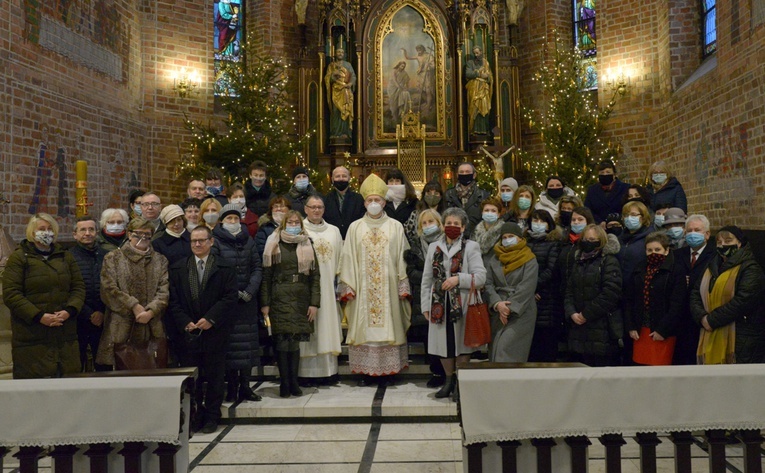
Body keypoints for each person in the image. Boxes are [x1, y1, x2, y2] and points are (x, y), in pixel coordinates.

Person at [339, 173, 412, 387]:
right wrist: (348, 286)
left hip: (388, 289)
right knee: (365, 329)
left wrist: (402, 284)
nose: (373, 204)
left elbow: (402, 256)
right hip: (363, 290)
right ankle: (365, 372)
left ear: (384, 202)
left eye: (377, 200)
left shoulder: (395, 227)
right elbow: (348, 257)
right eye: (369, 200)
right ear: (364, 203)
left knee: (390, 325)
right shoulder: (355, 228)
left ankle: (390, 372)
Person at [168, 225, 238, 433]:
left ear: (211, 242)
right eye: (193, 241)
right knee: (193, 378)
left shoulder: (224, 267)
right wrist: (185, 321)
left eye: (201, 240)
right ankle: (195, 415)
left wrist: (211, 318)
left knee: (215, 376)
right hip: (189, 332)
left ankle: (212, 416)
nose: (197, 244)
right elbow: (173, 300)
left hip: (215, 331)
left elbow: (229, 297)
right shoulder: (179, 267)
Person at [2, 213, 85, 378]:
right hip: (32, 335)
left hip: (64, 333)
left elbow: (78, 287)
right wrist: (39, 316)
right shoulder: (19, 258)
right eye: (42, 229)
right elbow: (12, 294)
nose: (47, 233)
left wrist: (69, 310)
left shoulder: (65, 256)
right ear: (32, 233)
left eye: (50, 229)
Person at [420, 207, 486, 400]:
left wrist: (459, 279)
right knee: (444, 345)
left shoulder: (471, 246)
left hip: (462, 303)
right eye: (448, 223)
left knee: (461, 345)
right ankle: (448, 381)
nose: (452, 227)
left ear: (463, 227)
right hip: (439, 304)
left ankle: (459, 382)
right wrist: (425, 305)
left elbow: (481, 277)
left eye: (456, 224)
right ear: (443, 225)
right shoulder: (434, 247)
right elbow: (426, 279)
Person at [95, 217, 169, 369]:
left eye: (147, 234)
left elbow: (164, 290)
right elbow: (108, 289)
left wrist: (151, 310)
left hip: (151, 325)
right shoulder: (113, 258)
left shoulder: (160, 260)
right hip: (121, 325)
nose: (142, 238)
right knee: (120, 373)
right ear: (129, 234)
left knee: (152, 371)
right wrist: (133, 305)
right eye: (138, 234)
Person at [261, 210, 320, 397]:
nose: (294, 225)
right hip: (279, 297)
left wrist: (314, 303)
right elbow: (266, 277)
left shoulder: (307, 243)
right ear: (284, 224)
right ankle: (284, 383)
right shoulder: (274, 243)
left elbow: (315, 276)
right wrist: (265, 303)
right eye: (290, 222)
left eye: (297, 223)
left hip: (301, 297)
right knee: (281, 341)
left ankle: (294, 382)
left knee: (294, 343)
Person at [691, 226, 765, 364]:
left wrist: (710, 321)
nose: (723, 245)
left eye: (728, 240)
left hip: (741, 337)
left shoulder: (751, 269)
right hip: (708, 330)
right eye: (719, 242)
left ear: (740, 243)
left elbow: (742, 302)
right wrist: (701, 317)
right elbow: (696, 292)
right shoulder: (711, 265)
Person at [212, 203, 263, 402]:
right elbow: (215, 270)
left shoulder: (248, 241)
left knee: (248, 346)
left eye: (235, 219)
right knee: (231, 347)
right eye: (228, 219)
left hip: (247, 303)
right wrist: (232, 293)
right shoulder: (215, 242)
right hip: (227, 303)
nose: (232, 222)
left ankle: (246, 386)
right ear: (222, 221)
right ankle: (232, 387)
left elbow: (257, 267)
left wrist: (250, 290)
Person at [565, 224, 623, 366]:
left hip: (602, 329)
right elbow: (569, 291)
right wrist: (572, 313)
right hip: (578, 330)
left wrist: (586, 315)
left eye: (592, 239)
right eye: (585, 239)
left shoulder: (609, 261)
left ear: (600, 241)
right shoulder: (578, 262)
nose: (588, 242)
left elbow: (610, 294)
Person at [300, 195, 344, 384]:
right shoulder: (298, 230)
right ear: (305, 209)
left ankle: (329, 372)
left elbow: (342, 260)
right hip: (305, 289)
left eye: (320, 207)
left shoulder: (334, 231)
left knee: (327, 327)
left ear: (324, 209)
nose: (316, 210)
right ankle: (306, 374)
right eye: (313, 207)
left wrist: (340, 284)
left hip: (329, 288)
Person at [625, 232, 686, 365]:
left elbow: (677, 304)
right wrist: (631, 326)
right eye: (649, 250)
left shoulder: (676, 270)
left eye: (657, 249)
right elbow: (629, 300)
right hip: (640, 330)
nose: (653, 253)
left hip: (663, 331)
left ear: (666, 250)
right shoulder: (639, 269)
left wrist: (663, 329)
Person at [404, 209, 447, 388]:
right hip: (423, 296)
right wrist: (428, 277)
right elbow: (411, 271)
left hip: (444, 295)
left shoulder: (447, 243)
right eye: (424, 223)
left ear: (439, 223)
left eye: (432, 222)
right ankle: (436, 371)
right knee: (428, 337)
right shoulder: (415, 246)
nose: (428, 226)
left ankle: (448, 373)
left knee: (444, 336)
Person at [484, 221, 538, 363]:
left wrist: (509, 308)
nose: (507, 240)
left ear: (520, 238)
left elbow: (527, 286)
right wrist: (497, 304)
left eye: (511, 236)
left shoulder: (530, 258)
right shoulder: (494, 259)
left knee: (507, 349)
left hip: (521, 310)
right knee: (495, 350)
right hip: (498, 310)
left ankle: (510, 384)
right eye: (504, 237)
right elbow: (488, 283)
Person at [673, 214, 715, 365]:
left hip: (702, 314)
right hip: (681, 317)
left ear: (707, 234)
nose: (692, 233)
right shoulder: (677, 255)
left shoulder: (715, 255)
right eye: (689, 230)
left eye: (697, 230)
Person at [69, 216, 109, 372]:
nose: (87, 233)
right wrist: (89, 313)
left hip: (104, 317)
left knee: (103, 365)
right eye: (83, 230)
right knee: (78, 363)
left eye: (91, 229)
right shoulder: (69, 257)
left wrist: (102, 311)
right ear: (75, 234)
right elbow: (68, 288)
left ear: (97, 232)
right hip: (78, 318)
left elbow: (112, 286)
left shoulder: (107, 256)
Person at [525, 209, 563, 362]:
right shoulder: (524, 242)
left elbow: (551, 270)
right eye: (535, 221)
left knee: (546, 341)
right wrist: (528, 290)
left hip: (547, 297)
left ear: (549, 224)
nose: (538, 224)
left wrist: (533, 287)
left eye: (542, 221)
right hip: (528, 297)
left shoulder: (554, 243)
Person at [444, 162, 491, 238]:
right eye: (462, 172)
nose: (464, 174)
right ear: (457, 175)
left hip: (477, 236)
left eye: (467, 172)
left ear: (474, 175)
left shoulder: (483, 195)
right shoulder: (448, 194)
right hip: (454, 236)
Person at [324, 165, 366, 240]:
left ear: (349, 178)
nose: (341, 179)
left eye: (344, 176)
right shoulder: (325, 200)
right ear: (332, 179)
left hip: (354, 239)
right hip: (332, 239)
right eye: (337, 176)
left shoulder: (359, 199)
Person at [324, 47, 356, 140]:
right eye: (338, 52)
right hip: (336, 91)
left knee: (345, 110)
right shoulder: (331, 65)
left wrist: (350, 84)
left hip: (345, 90)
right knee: (336, 111)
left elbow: (353, 76)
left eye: (342, 52)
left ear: (344, 54)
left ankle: (345, 132)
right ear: (335, 53)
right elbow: (327, 78)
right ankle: (335, 132)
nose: (340, 53)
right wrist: (333, 75)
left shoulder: (348, 65)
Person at [405, 180, 446, 246]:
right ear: (424, 195)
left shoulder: (446, 215)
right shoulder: (415, 214)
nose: (432, 196)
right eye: (429, 193)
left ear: (441, 196)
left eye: (436, 193)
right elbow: (407, 234)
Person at [465, 46, 493, 135]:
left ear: (481, 52)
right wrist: (479, 74)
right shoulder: (470, 63)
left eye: (477, 53)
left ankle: (485, 131)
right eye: (474, 53)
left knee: (485, 108)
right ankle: (474, 130)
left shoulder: (486, 63)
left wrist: (487, 77)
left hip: (484, 89)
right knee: (474, 108)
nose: (476, 55)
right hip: (474, 89)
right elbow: (468, 73)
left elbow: (490, 77)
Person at [244, 160, 276, 237]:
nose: (258, 178)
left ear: (265, 177)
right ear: (250, 175)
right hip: (247, 231)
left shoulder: (272, 196)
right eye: (255, 175)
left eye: (261, 175)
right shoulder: (243, 194)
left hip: (267, 232)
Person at [401, 44, 435, 113]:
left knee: (428, 91)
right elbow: (408, 57)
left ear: (423, 49)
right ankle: (427, 103)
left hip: (427, 75)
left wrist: (428, 66)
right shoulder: (418, 56)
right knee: (421, 90)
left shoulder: (429, 56)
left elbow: (433, 66)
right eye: (417, 50)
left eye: (420, 50)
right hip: (421, 75)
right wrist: (405, 51)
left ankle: (428, 106)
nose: (419, 52)